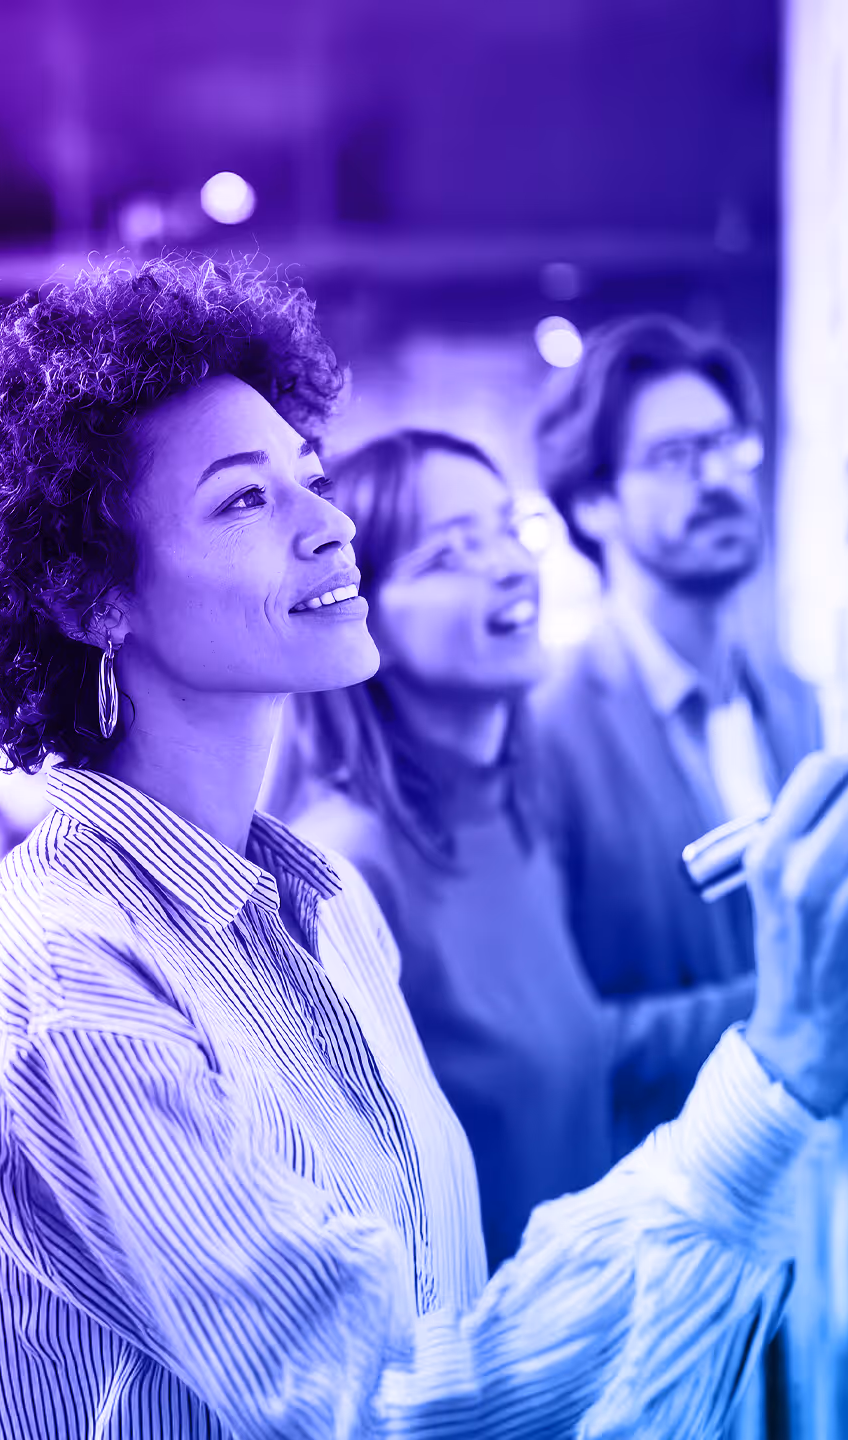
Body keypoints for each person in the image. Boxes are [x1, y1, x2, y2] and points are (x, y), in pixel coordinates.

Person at [0, 254, 848, 1439]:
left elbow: (451, 1310)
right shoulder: (66, 959)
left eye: (311, 478)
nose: (330, 525)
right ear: (90, 596)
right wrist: (788, 1054)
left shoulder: (325, 902)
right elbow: (385, 1401)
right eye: (246, 500)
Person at [275, 428, 754, 1270]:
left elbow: (584, 1055)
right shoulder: (344, 868)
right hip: (484, 1378)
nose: (506, 565)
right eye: (452, 553)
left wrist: (790, 981)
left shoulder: (516, 814)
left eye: (507, 529)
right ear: (363, 605)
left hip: (587, 1349)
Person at [533, 314, 822, 1155]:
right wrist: (796, 1000)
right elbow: (563, 1048)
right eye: (674, 459)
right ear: (592, 504)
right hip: (658, 1225)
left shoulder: (796, 703)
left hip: (813, 1217)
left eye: (730, 447)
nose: (721, 480)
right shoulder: (544, 730)